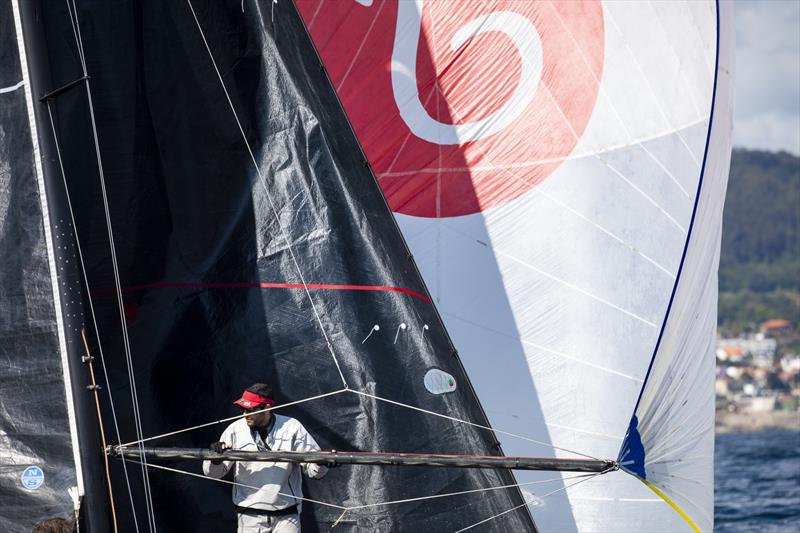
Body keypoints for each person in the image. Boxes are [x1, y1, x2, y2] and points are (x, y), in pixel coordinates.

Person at [203, 383, 327, 533]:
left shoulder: (292, 427)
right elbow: (214, 473)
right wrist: (215, 460)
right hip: (249, 516)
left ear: (267, 408)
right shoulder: (235, 429)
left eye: (250, 409)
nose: (245, 414)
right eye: (243, 409)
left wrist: (322, 463)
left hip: (286, 516)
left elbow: (314, 471)